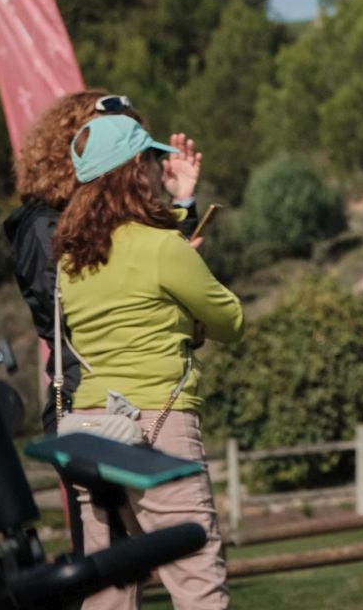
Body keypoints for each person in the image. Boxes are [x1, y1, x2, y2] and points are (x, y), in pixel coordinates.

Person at [54, 114, 242, 610]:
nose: (158, 170)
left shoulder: (71, 259)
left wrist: (182, 203)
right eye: (153, 161)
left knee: (108, 592)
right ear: (136, 167)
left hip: (90, 432)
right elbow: (230, 320)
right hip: (158, 425)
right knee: (197, 580)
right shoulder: (161, 249)